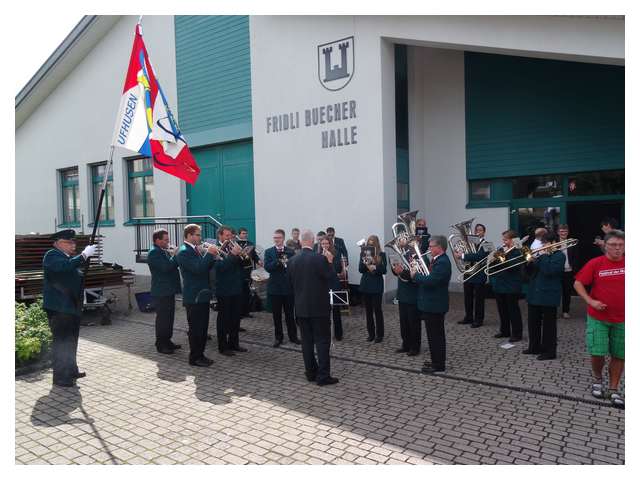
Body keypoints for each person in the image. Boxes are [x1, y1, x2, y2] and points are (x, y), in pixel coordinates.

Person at [574, 230, 625, 408]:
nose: (617, 248)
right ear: (605, 246)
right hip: (598, 317)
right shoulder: (596, 263)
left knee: (620, 354)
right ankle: (597, 378)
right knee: (598, 352)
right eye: (613, 245)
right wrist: (590, 301)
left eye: (621, 245)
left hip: (624, 319)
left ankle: (613, 389)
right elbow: (578, 283)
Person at [42, 230, 96, 387]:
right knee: (62, 342)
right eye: (69, 242)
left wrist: (83, 264)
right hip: (59, 308)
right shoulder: (52, 255)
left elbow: (74, 275)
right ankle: (60, 377)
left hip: (71, 307)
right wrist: (83, 256)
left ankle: (71, 370)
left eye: (74, 242)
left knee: (71, 340)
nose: (73, 245)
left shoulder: (68, 258)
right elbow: (63, 268)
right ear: (57, 243)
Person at [287, 229, 338, 386]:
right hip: (319, 308)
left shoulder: (292, 260)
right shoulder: (320, 259)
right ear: (313, 241)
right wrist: (330, 262)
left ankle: (310, 373)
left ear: (302, 241)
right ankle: (323, 376)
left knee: (307, 342)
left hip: (301, 308)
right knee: (322, 342)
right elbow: (331, 279)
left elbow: (290, 285)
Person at [175, 224, 220, 367]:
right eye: (198, 235)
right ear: (189, 235)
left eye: (200, 235)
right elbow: (198, 269)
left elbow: (204, 267)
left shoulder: (194, 249)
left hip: (201, 295)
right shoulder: (184, 251)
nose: (200, 237)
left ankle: (200, 355)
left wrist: (214, 258)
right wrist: (209, 254)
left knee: (202, 328)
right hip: (194, 296)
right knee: (196, 329)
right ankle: (194, 358)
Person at [412, 235, 452, 373]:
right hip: (431, 304)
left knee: (436, 337)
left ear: (439, 247)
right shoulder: (437, 260)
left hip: (435, 305)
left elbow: (431, 281)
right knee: (432, 336)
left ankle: (439, 365)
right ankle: (435, 361)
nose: (428, 248)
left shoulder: (443, 262)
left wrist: (415, 275)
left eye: (431, 246)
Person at [523, 231, 565, 361]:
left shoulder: (559, 256)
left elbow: (549, 271)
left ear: (553, 243)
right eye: (542, 243)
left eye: (545, 243)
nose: (542, 246)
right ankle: (534, 347)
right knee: (533, 323)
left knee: (549, 326)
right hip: (534, 294)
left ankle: (549, 351)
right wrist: (529, 262)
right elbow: (529, 274)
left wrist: (543, 256)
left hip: (549, 295)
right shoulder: (541, 256)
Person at [147, 229, 182, 354]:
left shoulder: (162, 251)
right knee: (163, 319)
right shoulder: (154, 253)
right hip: (161, 291)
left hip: (168, 290)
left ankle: (167, 341)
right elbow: (166, 267)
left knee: (169, 318)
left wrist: (173, 256)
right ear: (157, 240)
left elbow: (170, 264)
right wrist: (175, 256)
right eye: (165, 240)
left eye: (168, 239)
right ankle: (161, 344)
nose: (168, 242)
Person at [214, 226, 247, 356]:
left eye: (231, 236)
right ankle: (223, 347)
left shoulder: (233, 247)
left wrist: (243, 255)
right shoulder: (216, 249)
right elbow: (221, 267)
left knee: (235, 318)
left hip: (236, 288)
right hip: (224, 289)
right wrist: (233, 255)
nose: (230, 238)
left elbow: (243, 265)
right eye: (227, 236)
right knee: (224, 319)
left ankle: (234, 343)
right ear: (220, 236)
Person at [264, 229, 300, 347]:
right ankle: (278, 338)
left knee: (290, 315)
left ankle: (293, 337)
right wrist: (278, 262)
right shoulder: (269, 251)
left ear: (283, 238)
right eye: (275, 238)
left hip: (288, 288)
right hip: (275, 289)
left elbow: (294, 267)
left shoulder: (290, 251)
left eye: (279, 237)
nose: (276, 240)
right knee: (277, 315)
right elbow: (267, 267)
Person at [488, 230, 523, 342]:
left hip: (511, 285)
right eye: (503, 239)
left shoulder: (518, 251)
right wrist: (492, 260)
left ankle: (517, 333)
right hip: (500, 285)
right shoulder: (502, 250)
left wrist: (503, 258)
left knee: (513, 311)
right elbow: (493, 267)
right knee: (502, 310)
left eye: (506, 240)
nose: (504, 242)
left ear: (513, 240)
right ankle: (505, 331)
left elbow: (514, 266)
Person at [454, 223, 489, 328]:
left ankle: (478, 320)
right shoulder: (468, 243)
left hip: (479, 275)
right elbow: (462, 253)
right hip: (468, 273)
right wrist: (458, 252)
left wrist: (463, 255)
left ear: (484, 232)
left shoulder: (487, 244)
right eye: (476, 230)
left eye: (480, 230)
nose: (478, 232)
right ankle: (468, 317)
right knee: (467, 297)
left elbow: (479, 256)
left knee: (479, 299)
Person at [359, 235, 387, 343]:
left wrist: (374, 266)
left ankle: (380, 335)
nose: (370, 245)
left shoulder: (381, 254)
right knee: (368, 311)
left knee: (377, 311)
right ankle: (371, 334)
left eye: (372, 243)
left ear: (376, 244)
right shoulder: (363, 253)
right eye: (369, 243)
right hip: (366, 285)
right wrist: (366, 264)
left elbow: (384, 270)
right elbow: (360, 269)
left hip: (376, 286)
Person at [390, 256, 420, 356]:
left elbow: (415, 275)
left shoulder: (418, 257)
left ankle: (415, 347)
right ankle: (406, 345)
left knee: (413, 324)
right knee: (404, 323)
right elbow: (397, 272)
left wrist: (401, 272)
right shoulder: (401, 255)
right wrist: (394, 269)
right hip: (402, 295)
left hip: (412, 295)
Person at [320, 236, 344, 341]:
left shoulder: (336, 253)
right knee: (324, 311)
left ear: (330, 244)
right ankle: (325, 333)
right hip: (323, 285)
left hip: (334, 284)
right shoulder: (318, 255)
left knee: (336, 310)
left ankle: (338, 333)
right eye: (323, 244)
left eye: (327, 243)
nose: (325, 246)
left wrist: (330, 260)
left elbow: (338, 269)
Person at [236, 227, 261, 319]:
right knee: (240, 292)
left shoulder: (250, 244)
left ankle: (246, 311)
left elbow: (254, 255)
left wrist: (258, 261)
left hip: (248, 270)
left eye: (246, 233)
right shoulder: (235, 244)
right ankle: (239, 312)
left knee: (247, 291)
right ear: (239, 234)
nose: (245, 235)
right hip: (239, 270)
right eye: (243, 233)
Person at [557, 224, 578, 319]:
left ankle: (565, 311)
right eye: (561, 231)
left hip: (568, 271)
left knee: (567, 292)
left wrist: (574, 269)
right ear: (558, 232)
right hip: (557, 271)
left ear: (568, 232)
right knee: (556, 292)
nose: (563, 233)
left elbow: (576, 257)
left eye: (565, 231)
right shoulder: (554, 243)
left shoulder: (572, 242)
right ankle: (553, 311)